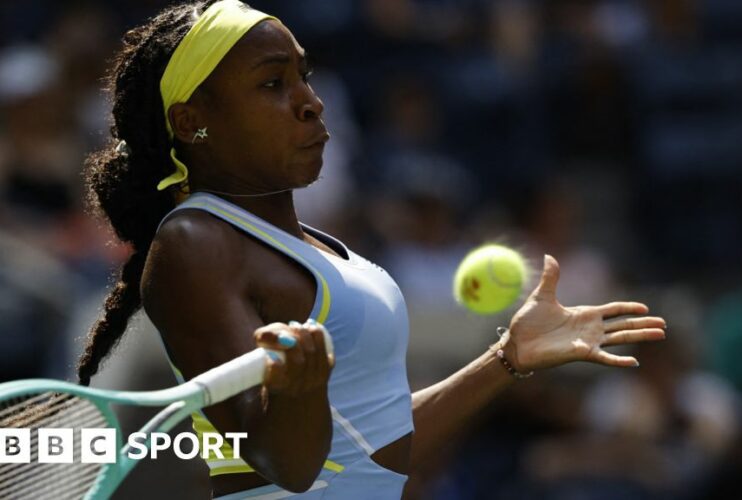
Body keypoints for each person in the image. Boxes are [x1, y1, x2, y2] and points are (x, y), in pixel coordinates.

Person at [76, 1, 666, 498]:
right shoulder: (195, 243)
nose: (312, 101)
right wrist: (298, 392)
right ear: (192, 121)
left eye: (305, 76)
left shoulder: (319, 248)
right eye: (272, 83)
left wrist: (507, 358)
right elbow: (283, 465)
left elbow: (377, 451)